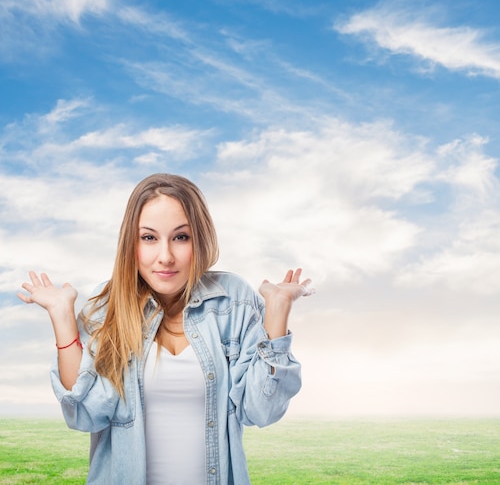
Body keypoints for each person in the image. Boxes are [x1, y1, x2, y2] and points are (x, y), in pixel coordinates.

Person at [18, 173, 314, 485]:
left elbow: (260, 410)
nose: (165, 257)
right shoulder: (108, 307)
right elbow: (85, 414)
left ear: (200, 238)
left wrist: (278, 311)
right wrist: (62, 316)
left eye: (180, 237)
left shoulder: (233, 301)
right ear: (131, 243)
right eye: (149, 238)